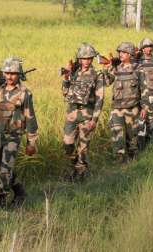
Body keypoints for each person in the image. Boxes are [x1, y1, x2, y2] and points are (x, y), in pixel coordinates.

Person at [0, 57, 38, 208]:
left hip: (14, 135)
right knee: (0, 166)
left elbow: (30, 117)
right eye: (7, 73)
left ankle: (1, 200)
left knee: (6, 168)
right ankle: (19, 191)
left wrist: (31, 142)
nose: (9, 77)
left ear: (19, 74)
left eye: (13, 73)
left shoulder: (24, 93)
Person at [61, 43, 105, 182]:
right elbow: (65, 93)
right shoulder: (73, 73)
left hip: (87, 115)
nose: (86, 61)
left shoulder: (97, 75)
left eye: (89, 58)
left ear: (92, 59)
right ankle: (76, 167)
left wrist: (94, 120)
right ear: (79, 59)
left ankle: (80, 174)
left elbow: (100, 99)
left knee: (83, 148)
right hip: (72, 114)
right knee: (67, 145)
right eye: (83, 58)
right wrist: (66, 79)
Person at [104, 42, 144, 163]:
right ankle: (119, 160)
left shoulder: (138, 68)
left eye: (124, 52)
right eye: (120, 52)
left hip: (133, 108)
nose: (121, 54)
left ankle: (133, 161)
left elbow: (145, 89)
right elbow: (106, 82)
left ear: (130, 54)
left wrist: (145, 108)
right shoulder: (115, 68)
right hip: (117, 108)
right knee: (117, 135)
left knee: (132, 138)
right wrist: (106, 69)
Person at [137, 38, 153, 145]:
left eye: (150, 46)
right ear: (142, 49)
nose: (149, 49)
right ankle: (140, 145)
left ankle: (149, 144)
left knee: (151, 121)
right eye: (146, 47)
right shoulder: (137, 60)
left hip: (151, 95)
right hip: (138, 95)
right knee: (140, 121)